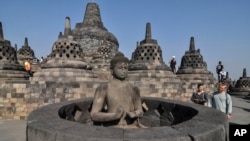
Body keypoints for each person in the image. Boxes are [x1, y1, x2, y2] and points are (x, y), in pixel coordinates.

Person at [90, 52, 145, 128]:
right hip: (112, 126)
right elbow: (94, 114)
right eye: (120, 68)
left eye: (125, 68)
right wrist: (115, 116)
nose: (123, 70)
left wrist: (134, 114)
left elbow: (140, 111)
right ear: (112, 70)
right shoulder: (104, 87)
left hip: (131, 126)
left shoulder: (134, 88)